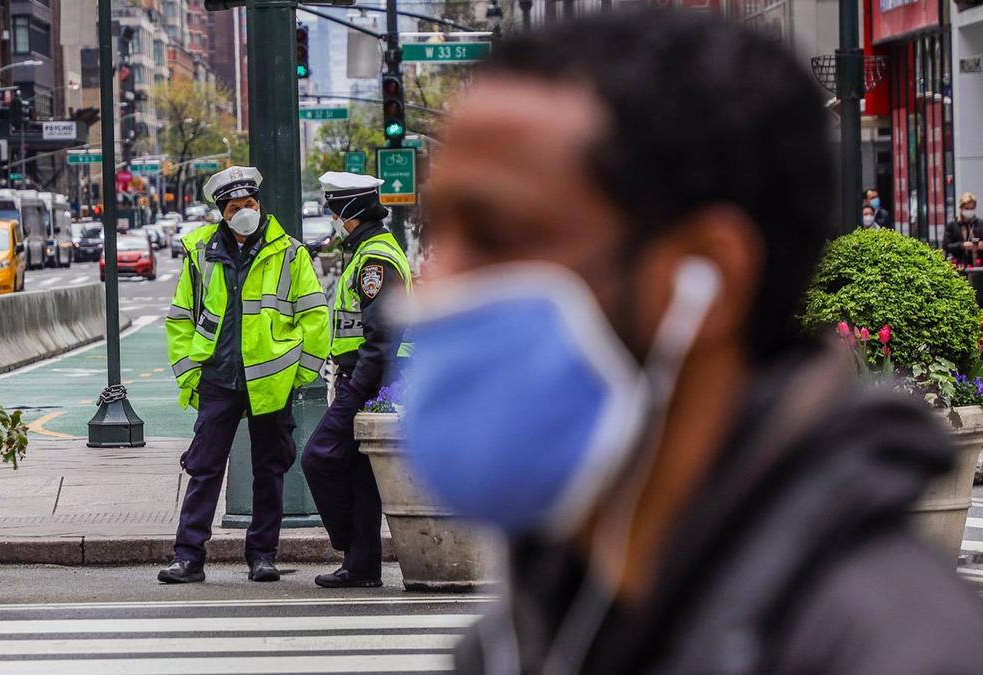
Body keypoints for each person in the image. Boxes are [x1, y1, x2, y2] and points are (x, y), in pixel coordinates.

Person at [402, 14, 983, 674]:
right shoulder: (528, 637)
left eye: (496, 236)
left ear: (705, 277)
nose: (433, 290)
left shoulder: (899, 652)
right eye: (438, 234)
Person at [160, 166, 330, 584]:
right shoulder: (200, 252)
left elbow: (315, 315)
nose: (245, 212)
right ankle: (188, 556)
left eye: (250, 204)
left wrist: (300, 375)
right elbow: (181, 318)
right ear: (222, 212)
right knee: (204, 468)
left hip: (271, 382)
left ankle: (262, 555)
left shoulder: (289, 251)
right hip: (218, 379)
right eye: (236, 207)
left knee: (269, 470)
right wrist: (190, 376)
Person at [301, 171, 412, 589]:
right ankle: (361, 564)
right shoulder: (366, 250)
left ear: (350, 211)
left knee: (320, 456)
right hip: (368, 379)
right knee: (358, 474)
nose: (331, 217)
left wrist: (354, 392)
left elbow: (381, 336)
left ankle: (348, 544)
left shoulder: (375, 259)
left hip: (371, 381)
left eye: (334, 209)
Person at [946, 192, 981, 268]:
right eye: (967, 208)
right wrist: (962, 245)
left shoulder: (980, 223)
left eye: (972, 208)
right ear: (961, 208)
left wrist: (980, 245)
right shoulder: (953, 225)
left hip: (979, 267)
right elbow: (947, 246)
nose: (969, 211)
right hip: (959, 266)